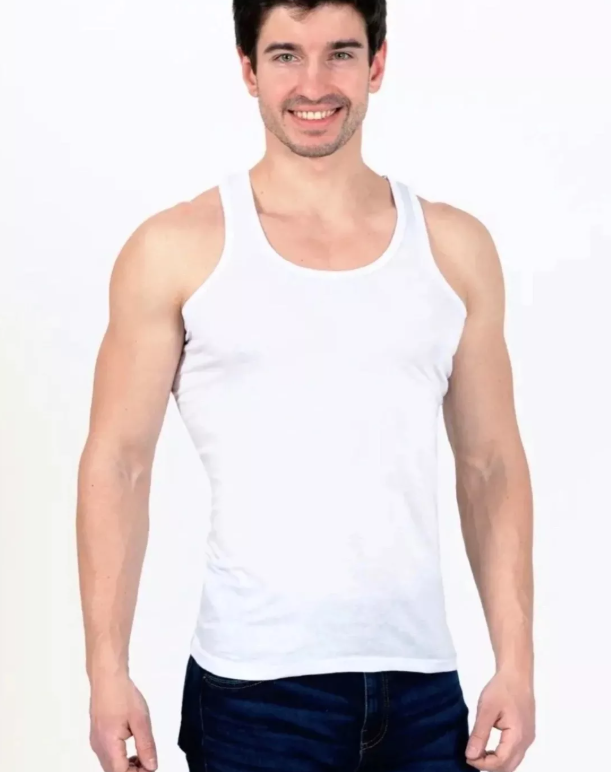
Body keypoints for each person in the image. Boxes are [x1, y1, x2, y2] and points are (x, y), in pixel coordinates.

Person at [76, 1, 536, 771]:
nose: (313, 84)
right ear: (248, 70)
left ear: (376, 65)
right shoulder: (178, 249)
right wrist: (105, 672)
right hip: (253, 695)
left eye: (340, 54)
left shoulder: (453, 248)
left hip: (424, 692)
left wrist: (515, 664)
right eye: (286, 55)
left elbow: (490, 464)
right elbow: (118, 463)